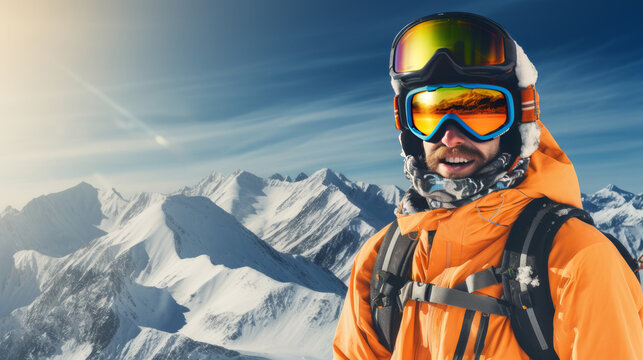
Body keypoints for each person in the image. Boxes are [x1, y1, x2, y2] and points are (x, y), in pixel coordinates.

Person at [333, 12, 643, 359]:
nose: (450, 136)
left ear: (515, 126)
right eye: (430, 113)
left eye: (480, 112)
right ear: (407, 128)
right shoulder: (379, 261)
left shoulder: (576, 260)